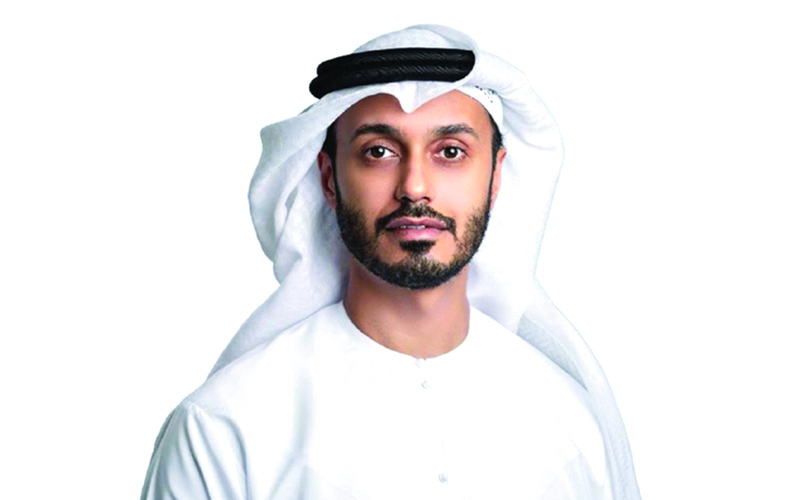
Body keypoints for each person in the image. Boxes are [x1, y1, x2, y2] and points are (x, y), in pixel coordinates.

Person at [141, 25, 640, 499]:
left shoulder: (570, 423)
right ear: (329, 179)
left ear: (495, 179)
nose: (414, 187)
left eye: (450, 151)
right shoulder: (226, 428)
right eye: (379, 151)